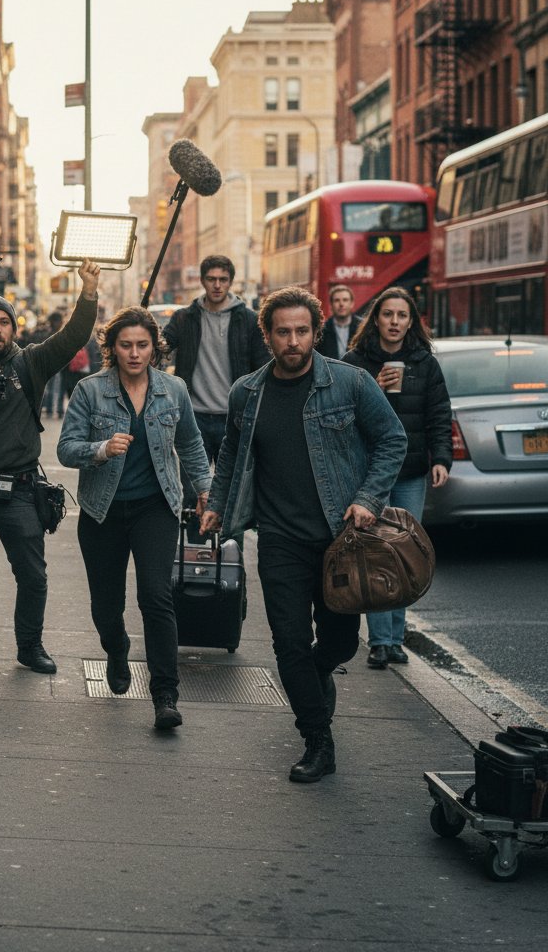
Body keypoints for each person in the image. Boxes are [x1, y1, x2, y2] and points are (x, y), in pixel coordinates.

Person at [202, 286, 406, 783]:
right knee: (288, 644)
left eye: (301, 331)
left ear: (316, 332)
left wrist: (367, 499)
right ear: (267, 336)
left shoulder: (351, 383)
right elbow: (231, 454)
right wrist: (216, 503)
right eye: (282, 332)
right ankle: (318, 739)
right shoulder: (246, 393)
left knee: (340, 645)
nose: (292, 341)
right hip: (279, 540)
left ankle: (315, 679)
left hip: (342, 540)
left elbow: (392, 439)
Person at [0, 261, 100, 682]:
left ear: (14, 328)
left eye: (2, 322)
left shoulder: (32, 363)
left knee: (32, 575)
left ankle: (30, 646)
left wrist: (89, 292)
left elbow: (72, 337)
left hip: (20, 490)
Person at [58, 306, 212, 730]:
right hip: (102, 510)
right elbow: (65, 448)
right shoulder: (91, 391)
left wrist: (205, 491)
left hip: (154, 507)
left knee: (156, 597)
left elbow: (192, 444)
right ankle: (116, 646)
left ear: (154, 347)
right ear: (112, 348)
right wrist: (101, 448)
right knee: (106, 607)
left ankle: (165, 695)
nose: (134, 353)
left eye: (142, 345)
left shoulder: (173, 389)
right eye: (125, 345)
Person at [343, 286, 452, 669]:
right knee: (376, 554)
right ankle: (379, 640)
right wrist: (376, 387)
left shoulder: (424, 363)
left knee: (405, 553)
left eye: (401, 316)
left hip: (410, 473)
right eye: (387, 314)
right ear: (376, 319)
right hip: (370, 474)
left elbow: (439, 414)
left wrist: (441, 458)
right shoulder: (356, 362)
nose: (394, 322)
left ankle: (396, 638)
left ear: (411, 321)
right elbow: (342, 415)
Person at [163, 254, 270, 470]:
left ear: (230, 282)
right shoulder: (184, 318)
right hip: (193, 417)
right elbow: (158, 349)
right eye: (212, 279)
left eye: (223, 279)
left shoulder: (249, 320)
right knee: (192, 493)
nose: (217, 285)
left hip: (234, 417)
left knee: (231, 489)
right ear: (202, 281)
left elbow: (263, 367)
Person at [317, 284, 363, 360]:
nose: (341, 304)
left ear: (352, 304)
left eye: (345, 300)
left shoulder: (362, 327)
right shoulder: (322, 329)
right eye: (337, 300)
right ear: (331, 305)